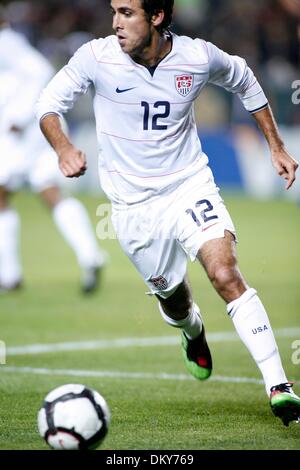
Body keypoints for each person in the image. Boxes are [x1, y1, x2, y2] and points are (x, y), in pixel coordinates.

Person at [36, 0, 299, 426]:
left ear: (156, 17)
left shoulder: (197, 57)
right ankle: (192, 332)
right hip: (134, 207)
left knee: (225, 273)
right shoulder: (96, 57)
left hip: (188, 185)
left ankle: (279, 385)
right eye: (114, 12)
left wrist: (275, 145)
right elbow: (47, 104)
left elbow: (245, 80)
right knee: (175, 300)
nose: (116, 23)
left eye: (127, 13)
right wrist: (63, 147)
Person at [0, 11, 107, 294]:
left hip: (21, 130)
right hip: (34, 129)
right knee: (50, 192)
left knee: (1, 196)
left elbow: (40, 72)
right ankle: (90, 255)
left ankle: (9, 276)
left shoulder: (5, 43)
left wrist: (19, 116)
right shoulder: (11, 41)